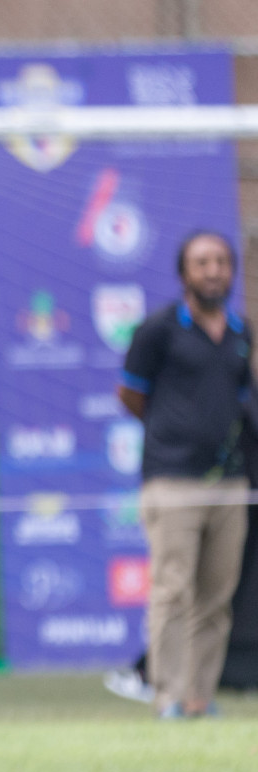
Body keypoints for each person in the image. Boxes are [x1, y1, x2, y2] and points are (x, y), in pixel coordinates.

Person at [117, 231, 254, 718]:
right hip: (172, 479)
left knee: (216, 597)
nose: (213, 270)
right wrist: (173, 435)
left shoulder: (241, 332)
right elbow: (132, 395)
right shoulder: (158, 330)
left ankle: (200, 696)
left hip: (230, 483)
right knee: (173, 589)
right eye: (202, 262)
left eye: (221, 262)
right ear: (184, 274)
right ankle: (168, 695)